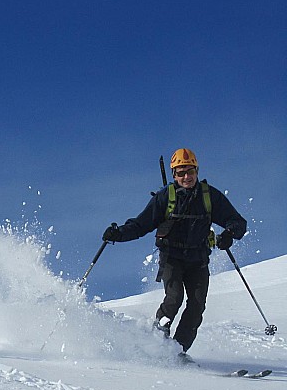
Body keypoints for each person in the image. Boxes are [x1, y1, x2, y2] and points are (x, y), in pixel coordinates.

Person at [102, 147, 247, 354]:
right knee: (174, 298)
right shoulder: (165, 198)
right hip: (172, 258)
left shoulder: (209, 196)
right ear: (174, 174)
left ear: (197, 171)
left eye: (190, 171)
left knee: (197, 307)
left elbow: (237, 222)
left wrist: (229, 235)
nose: (186, 177)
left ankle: (177, 352)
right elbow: (141, 225)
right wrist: (118, 234)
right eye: (181, 172)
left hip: (198, 260)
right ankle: (156, 342)